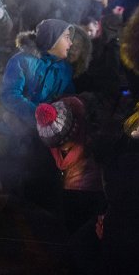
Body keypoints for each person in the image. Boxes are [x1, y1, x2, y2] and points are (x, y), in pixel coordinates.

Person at [0, 18, 74, 210]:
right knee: (16, 182)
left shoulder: (64, 68)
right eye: (66, 37)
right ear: (53, 40)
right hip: (17, 133)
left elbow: (67, 99)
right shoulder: (22, 60)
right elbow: (9, 95)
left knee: (43, 186)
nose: (71, 43)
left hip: (47, 139)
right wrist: (38, 113)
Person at [35, 96, 103, 233]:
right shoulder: (68, 108)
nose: (59, 149)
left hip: (87, 195)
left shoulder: (86, 173)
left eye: (62, 145)